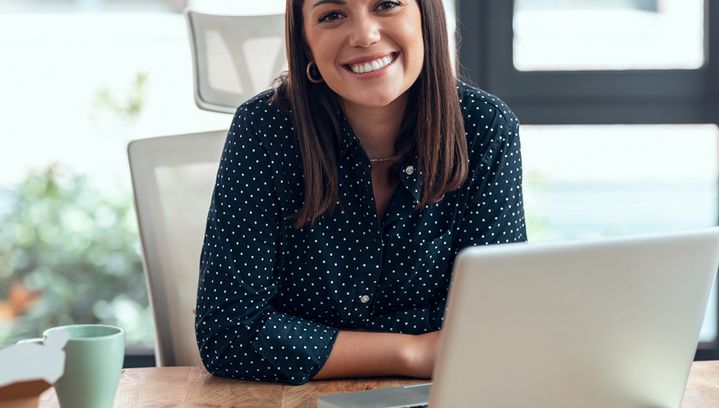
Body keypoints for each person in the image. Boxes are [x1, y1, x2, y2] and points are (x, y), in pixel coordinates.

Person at [195, 0, 527, 386]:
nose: (364, 35)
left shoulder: (484, 128)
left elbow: (494, 322)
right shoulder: (264, 130)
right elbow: (228, 334)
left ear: (426, 16)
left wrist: (304, 340)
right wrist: (414, 351)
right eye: (332, 15)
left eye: (386, 5)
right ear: (305, 44)